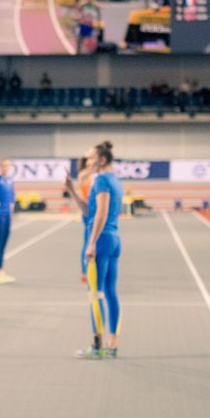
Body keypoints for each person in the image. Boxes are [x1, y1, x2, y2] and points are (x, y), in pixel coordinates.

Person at [79, 142, 122, 359]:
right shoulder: (115, 179)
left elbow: (101, 213)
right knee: (111, 292)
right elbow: (91, 211)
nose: (87, 162)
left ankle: (97, 347)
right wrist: (70, 188)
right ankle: (112, 345)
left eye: (91, 158)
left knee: (95, 294)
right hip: (114, 240)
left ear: (102, 160)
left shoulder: (102, 180)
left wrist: (91, 242)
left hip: (101, 241)